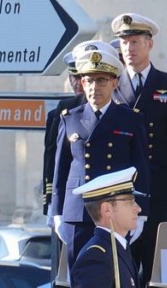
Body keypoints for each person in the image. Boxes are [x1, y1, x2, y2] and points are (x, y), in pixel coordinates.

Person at [49, 41, 149, 270]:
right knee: (80, 281)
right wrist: (57, 213)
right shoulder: (69, 118)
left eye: (102, 80)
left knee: (117, 279)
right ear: (83, 83)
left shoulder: (130, 119)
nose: (95, 86)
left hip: (116, 212)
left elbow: (141, 168)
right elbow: (60, 170)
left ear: (114, 82)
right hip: (78, 214)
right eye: (90, 80)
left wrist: (142, 212)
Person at [111, 13, 167, 288]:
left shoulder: (166, 86)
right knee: (120, 275)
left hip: (161, 198)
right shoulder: (111, 85)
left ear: (150, 44)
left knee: (159, 275)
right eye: (124, 42)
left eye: (135, 41)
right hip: (119, 199)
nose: (129, 48)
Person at [42, 53, 84, 217]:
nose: (77, 82)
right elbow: (52, 159)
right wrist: (50, 201)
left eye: (81, 77)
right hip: (67, 199)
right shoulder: (59, 113)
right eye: (73, 77)